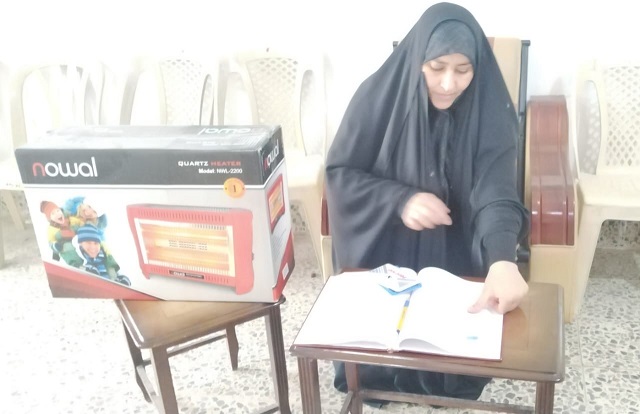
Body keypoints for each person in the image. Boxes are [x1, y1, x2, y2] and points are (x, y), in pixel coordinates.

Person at [325, 2, 530, 402]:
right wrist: (399, 200)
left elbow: (497, 190)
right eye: (437, 68)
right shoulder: (378, 98)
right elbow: (340, 174)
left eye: (463, 70)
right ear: (418, 59)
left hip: (455, 252)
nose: (449, 84)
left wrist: (503, 259)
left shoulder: (490, 109)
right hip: (389, 248)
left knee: (456, 352)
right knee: (376, 353)